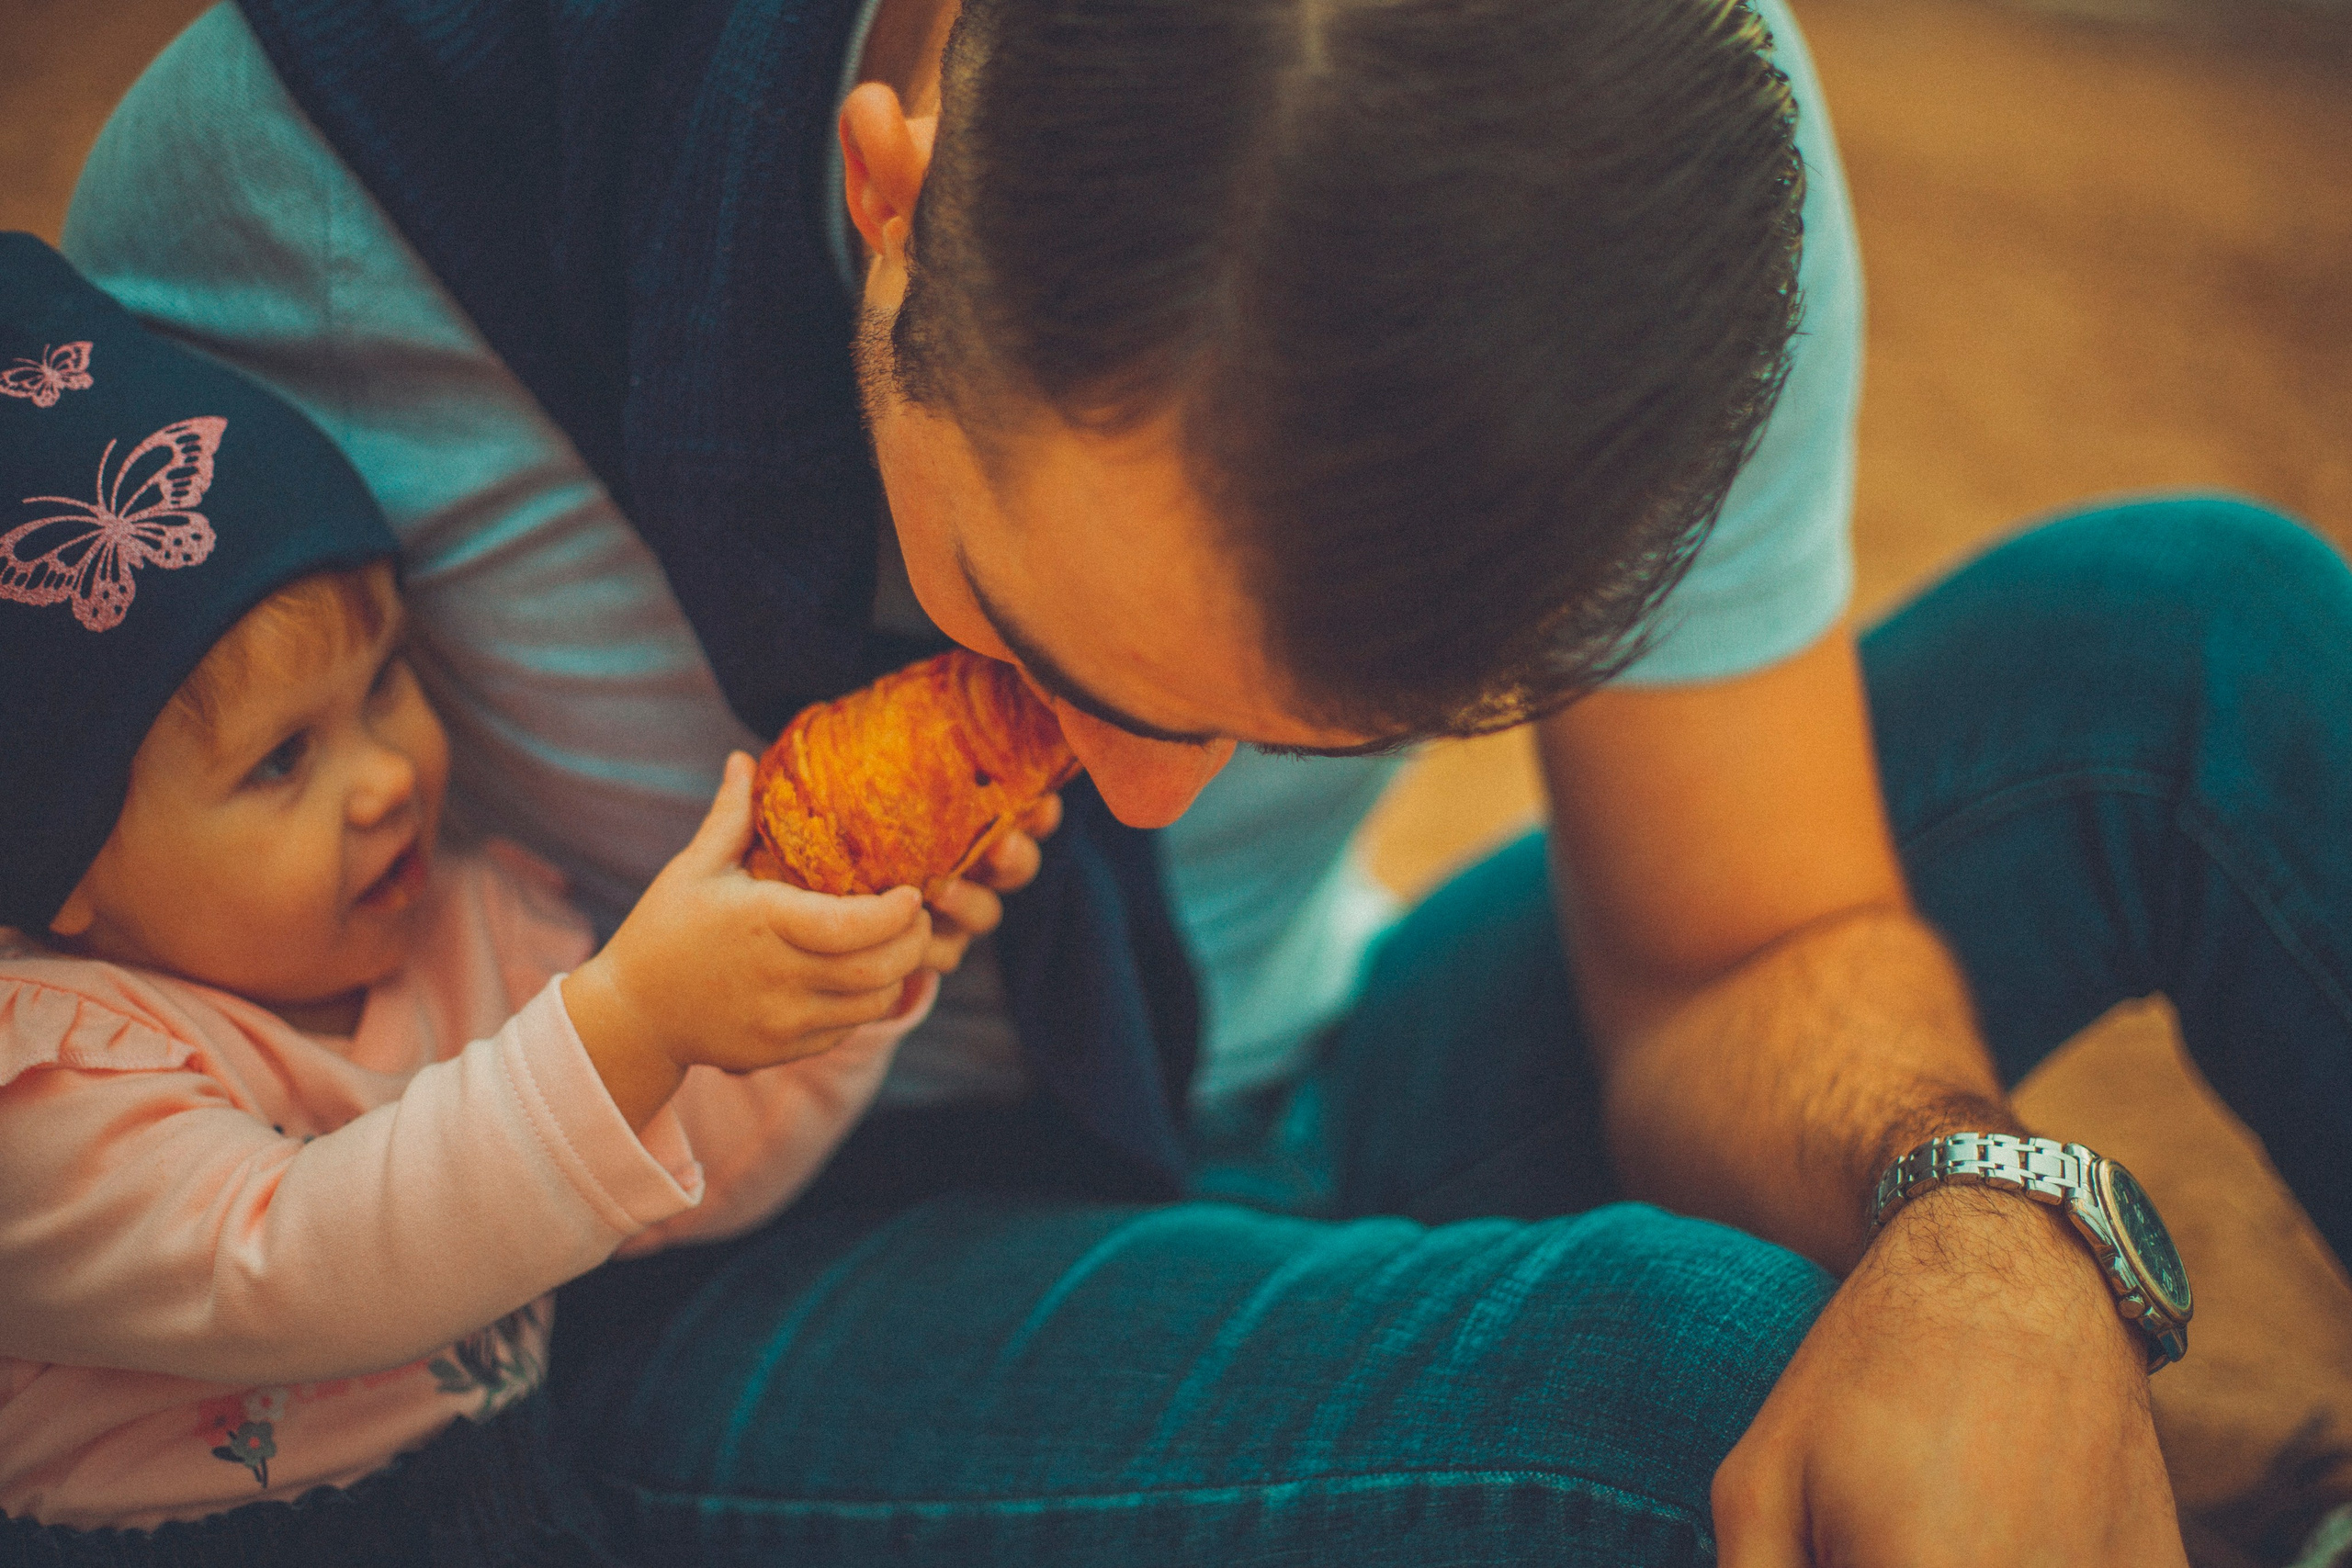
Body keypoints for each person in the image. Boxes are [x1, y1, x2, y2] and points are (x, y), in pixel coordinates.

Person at [54, 0, 2352, 1564]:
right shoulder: (314, 196)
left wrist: (1979, 1208)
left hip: (1289, 1085)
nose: (1147, 814)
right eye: (1035, 639)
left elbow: (1737, 947)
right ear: (891, 175)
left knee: (2214, 644)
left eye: (1314, 724)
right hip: (677, 1268)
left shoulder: (1628, 203)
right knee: (1744, 1408)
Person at [0, 231, 1049, 1552]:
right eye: (281, 760)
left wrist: (835, 977)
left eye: (385, 679)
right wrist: (631, 1025)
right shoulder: (45, 1081)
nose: (385, 777)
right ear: (69, 861)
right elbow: (287, 1267)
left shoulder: (469, 928)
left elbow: (685, 1171)